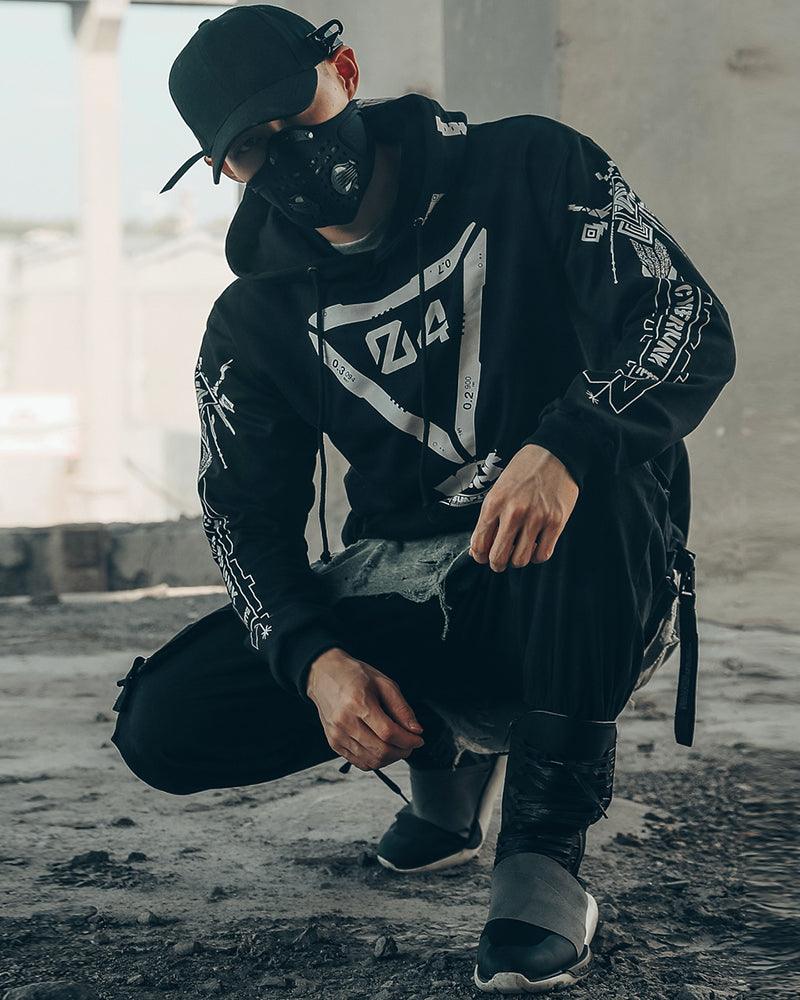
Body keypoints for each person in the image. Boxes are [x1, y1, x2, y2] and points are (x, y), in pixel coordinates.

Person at [110, 4, 736, 994]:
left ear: (346, 71)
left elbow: (680, 316)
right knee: (162, 722)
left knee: (600, 477)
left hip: (584, 572)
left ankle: (540, 855)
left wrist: (564, 446)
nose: (287, 155)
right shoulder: (253, 318)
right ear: (223, 170)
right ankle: (442, 753)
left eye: (294, 114)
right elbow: (242, 518)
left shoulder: (533, 165)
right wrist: (317, 664)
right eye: (249, 150)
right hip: (412, 578)